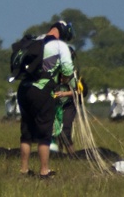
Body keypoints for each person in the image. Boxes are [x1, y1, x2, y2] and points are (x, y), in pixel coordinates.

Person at [17, 21, 75, 179]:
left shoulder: (34, 40)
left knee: (26, 132)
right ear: (64, 33)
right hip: (42, 90)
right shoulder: (59, 46)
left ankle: (24, 170)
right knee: (44, 133)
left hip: (23, 89)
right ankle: (44, 171)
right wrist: (63, 79)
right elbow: (68, 70)